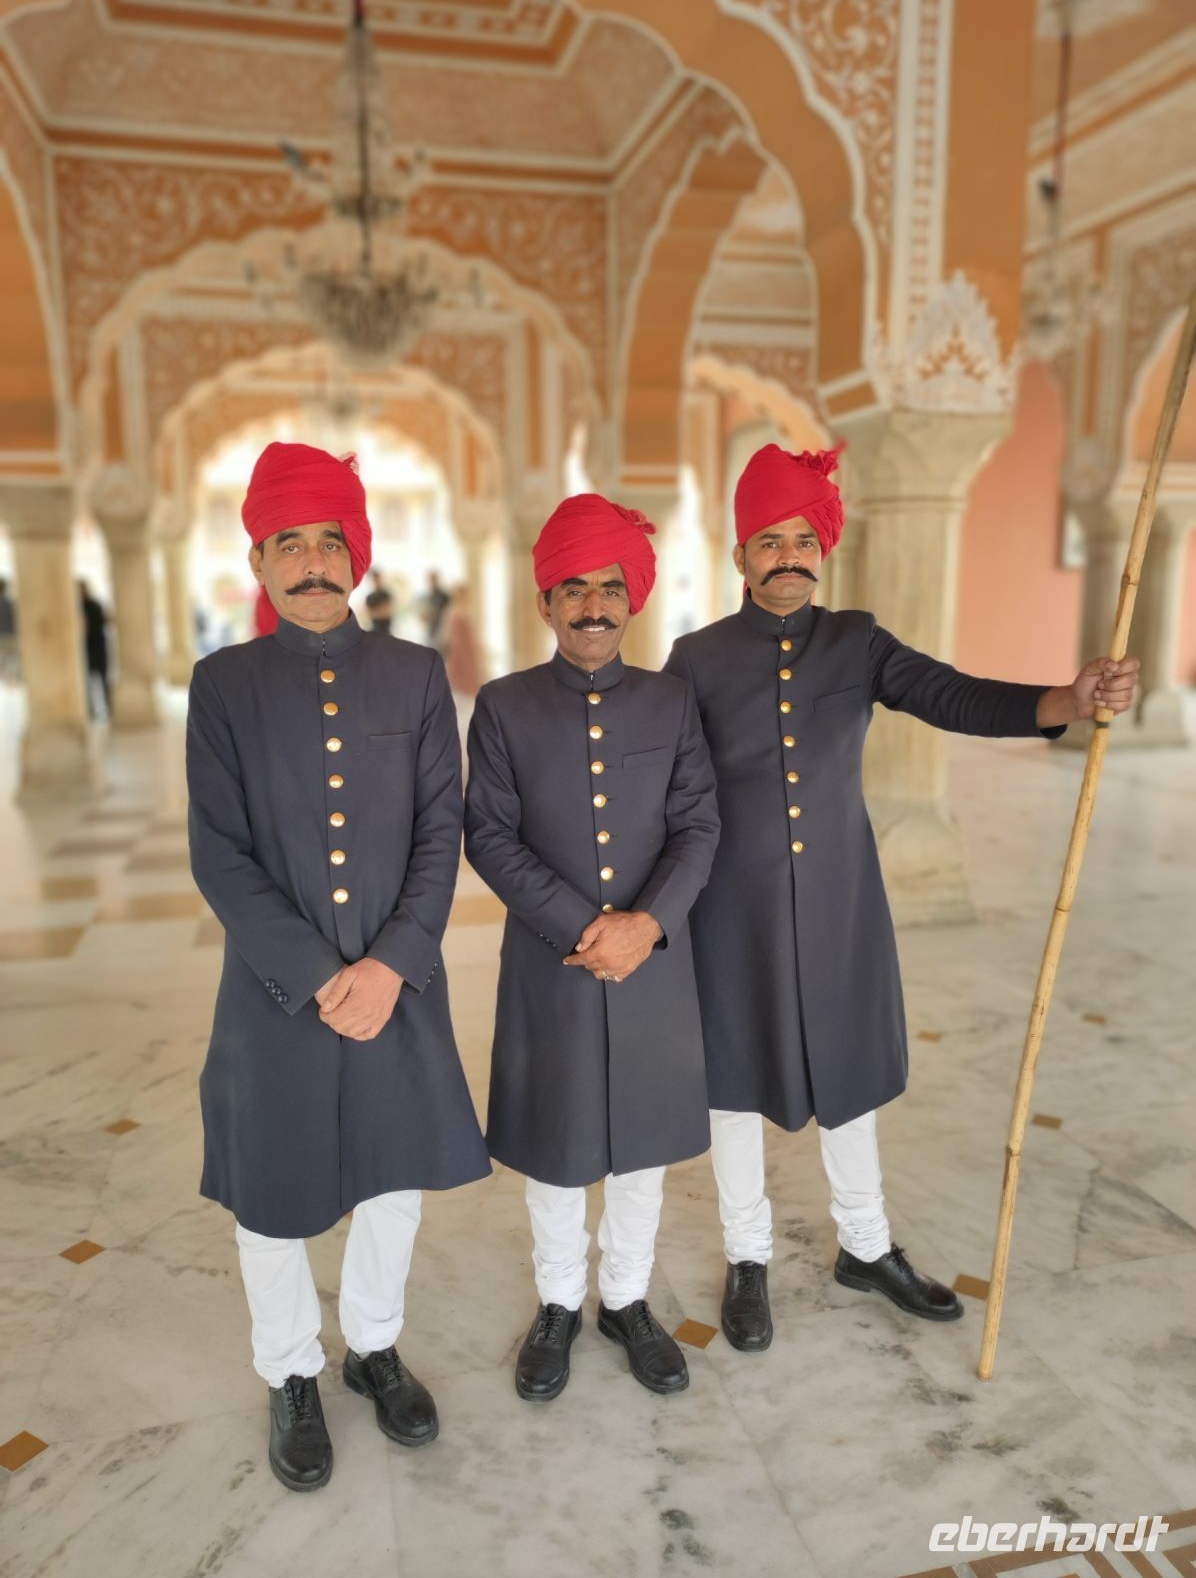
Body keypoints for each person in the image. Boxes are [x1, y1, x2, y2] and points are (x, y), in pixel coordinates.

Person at [662, 442, 1141, 1352]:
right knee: (732, 1082)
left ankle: (866, 1246)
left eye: (804, 536)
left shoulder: (858, 641)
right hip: (732, 915)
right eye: (769, 539)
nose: (789, 554)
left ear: (823, 547)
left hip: (841, 904)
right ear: (739, 556)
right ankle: (749, 1256)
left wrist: (1068, 697)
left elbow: (952, 696)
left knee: (850, 1073)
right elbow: (666, 781)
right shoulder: (696, 657)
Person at [187, 441, 490, 1493]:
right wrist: (324, 975)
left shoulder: (412, 675)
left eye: (330, 540)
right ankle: (289, 1373)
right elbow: (217, 853)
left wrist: (392, 964)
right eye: (290, 542)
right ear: (260, 558)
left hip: (396, 982)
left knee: (392, 1177)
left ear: (354, 553)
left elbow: (436, 832)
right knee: (271, 1197)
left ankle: (370, 1346)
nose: (313, 561)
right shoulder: (221, 684)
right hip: (277, 996)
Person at [465, 493, 720, 1401]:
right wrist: (585, 927)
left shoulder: (671, 701)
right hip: (553, 966)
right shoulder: (503, 706)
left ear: (633, 597)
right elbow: (489, 837)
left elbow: (698, 825)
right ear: (545, 602)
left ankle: (626, 1300)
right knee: (558, 1147)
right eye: (574, 589)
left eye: (611, 586)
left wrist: (645, 926)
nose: (594, 605)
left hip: (654, 964)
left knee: (643, 1148)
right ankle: (558, 1305)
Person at [443, 582, 484, 699]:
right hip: (460, 647)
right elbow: (449, 633)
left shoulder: (465, 609)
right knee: (461, 676)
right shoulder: (454, 611)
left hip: (468, 647)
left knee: (470, 674)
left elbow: (472, 631)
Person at [78, 579, 110, 717]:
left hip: (93, 647)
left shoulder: (83, 607)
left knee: (99, 679)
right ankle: (93, 709)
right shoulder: (92, 605)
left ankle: (99, 709)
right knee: (90, 681)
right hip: (93, 647)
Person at [418, 569, 452, 650]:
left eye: (433, 579)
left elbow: (448, 613)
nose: (431, 582)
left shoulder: (444, 596)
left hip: (442, 629)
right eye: (430, 580)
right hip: (431, 629)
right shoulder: (427, 596)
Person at [364, 568, 394, 633]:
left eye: (377, 579)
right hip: (375, 627)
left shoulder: (386, 594)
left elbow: (387, 612)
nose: (376, 581)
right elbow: (369, 614)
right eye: (374, 580)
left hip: (386, 628)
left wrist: (376, 611)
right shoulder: (370, 597)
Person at [0, 577, 17, 683]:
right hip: (10, 636)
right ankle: (10, 681)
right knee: (11, 660)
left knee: (2, 659)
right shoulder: (10, 603)